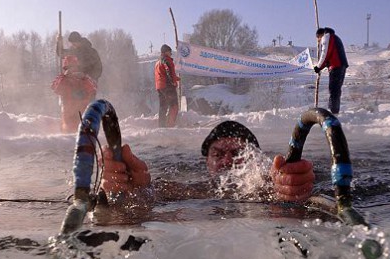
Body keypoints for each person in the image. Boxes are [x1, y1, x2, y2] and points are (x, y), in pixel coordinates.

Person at [99, 120, 315, 205]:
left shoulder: (264, 184)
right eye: (218, 154)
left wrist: (290, 186)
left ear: (255, 158)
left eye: (237, 152)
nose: (228, 160)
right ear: (206, 163)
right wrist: (138, 190)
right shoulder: (193, 188)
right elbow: (159, 193)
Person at [51, 55, 97, 133]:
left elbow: (93, 90)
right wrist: (64, 78)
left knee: (81, 127)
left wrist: (84, 80)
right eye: (68, 67)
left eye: (73, 66)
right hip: (68, 107)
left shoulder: (84, 78)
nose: (72, 69)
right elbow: (55, 88)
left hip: (81, 107)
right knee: (67, 128)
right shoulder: (62, 78)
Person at [313, 27, 348, 115]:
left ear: (320, 35)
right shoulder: (334, 37)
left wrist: (318, 67)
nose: (319, 42)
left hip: (336, 66)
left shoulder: (326, 37)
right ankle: (335, 110)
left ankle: (333, 112)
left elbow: (325, 53)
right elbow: (330, 55)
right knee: (336, 89)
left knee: (333, 89)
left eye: (318, 39)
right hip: (340, 65)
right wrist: (322, 66)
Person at [154, 44, 180, 128]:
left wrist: (175, 78)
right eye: (170, 51)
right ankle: (170, 125)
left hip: (160, 87)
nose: (171, 53)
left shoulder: (158, 62)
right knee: (174, 106)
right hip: (168, 87)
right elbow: (168, 70)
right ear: (165, 52)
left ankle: (161, 126)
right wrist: (173, 81)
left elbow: (162, 73)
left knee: (163, 107)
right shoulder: (167, 60)